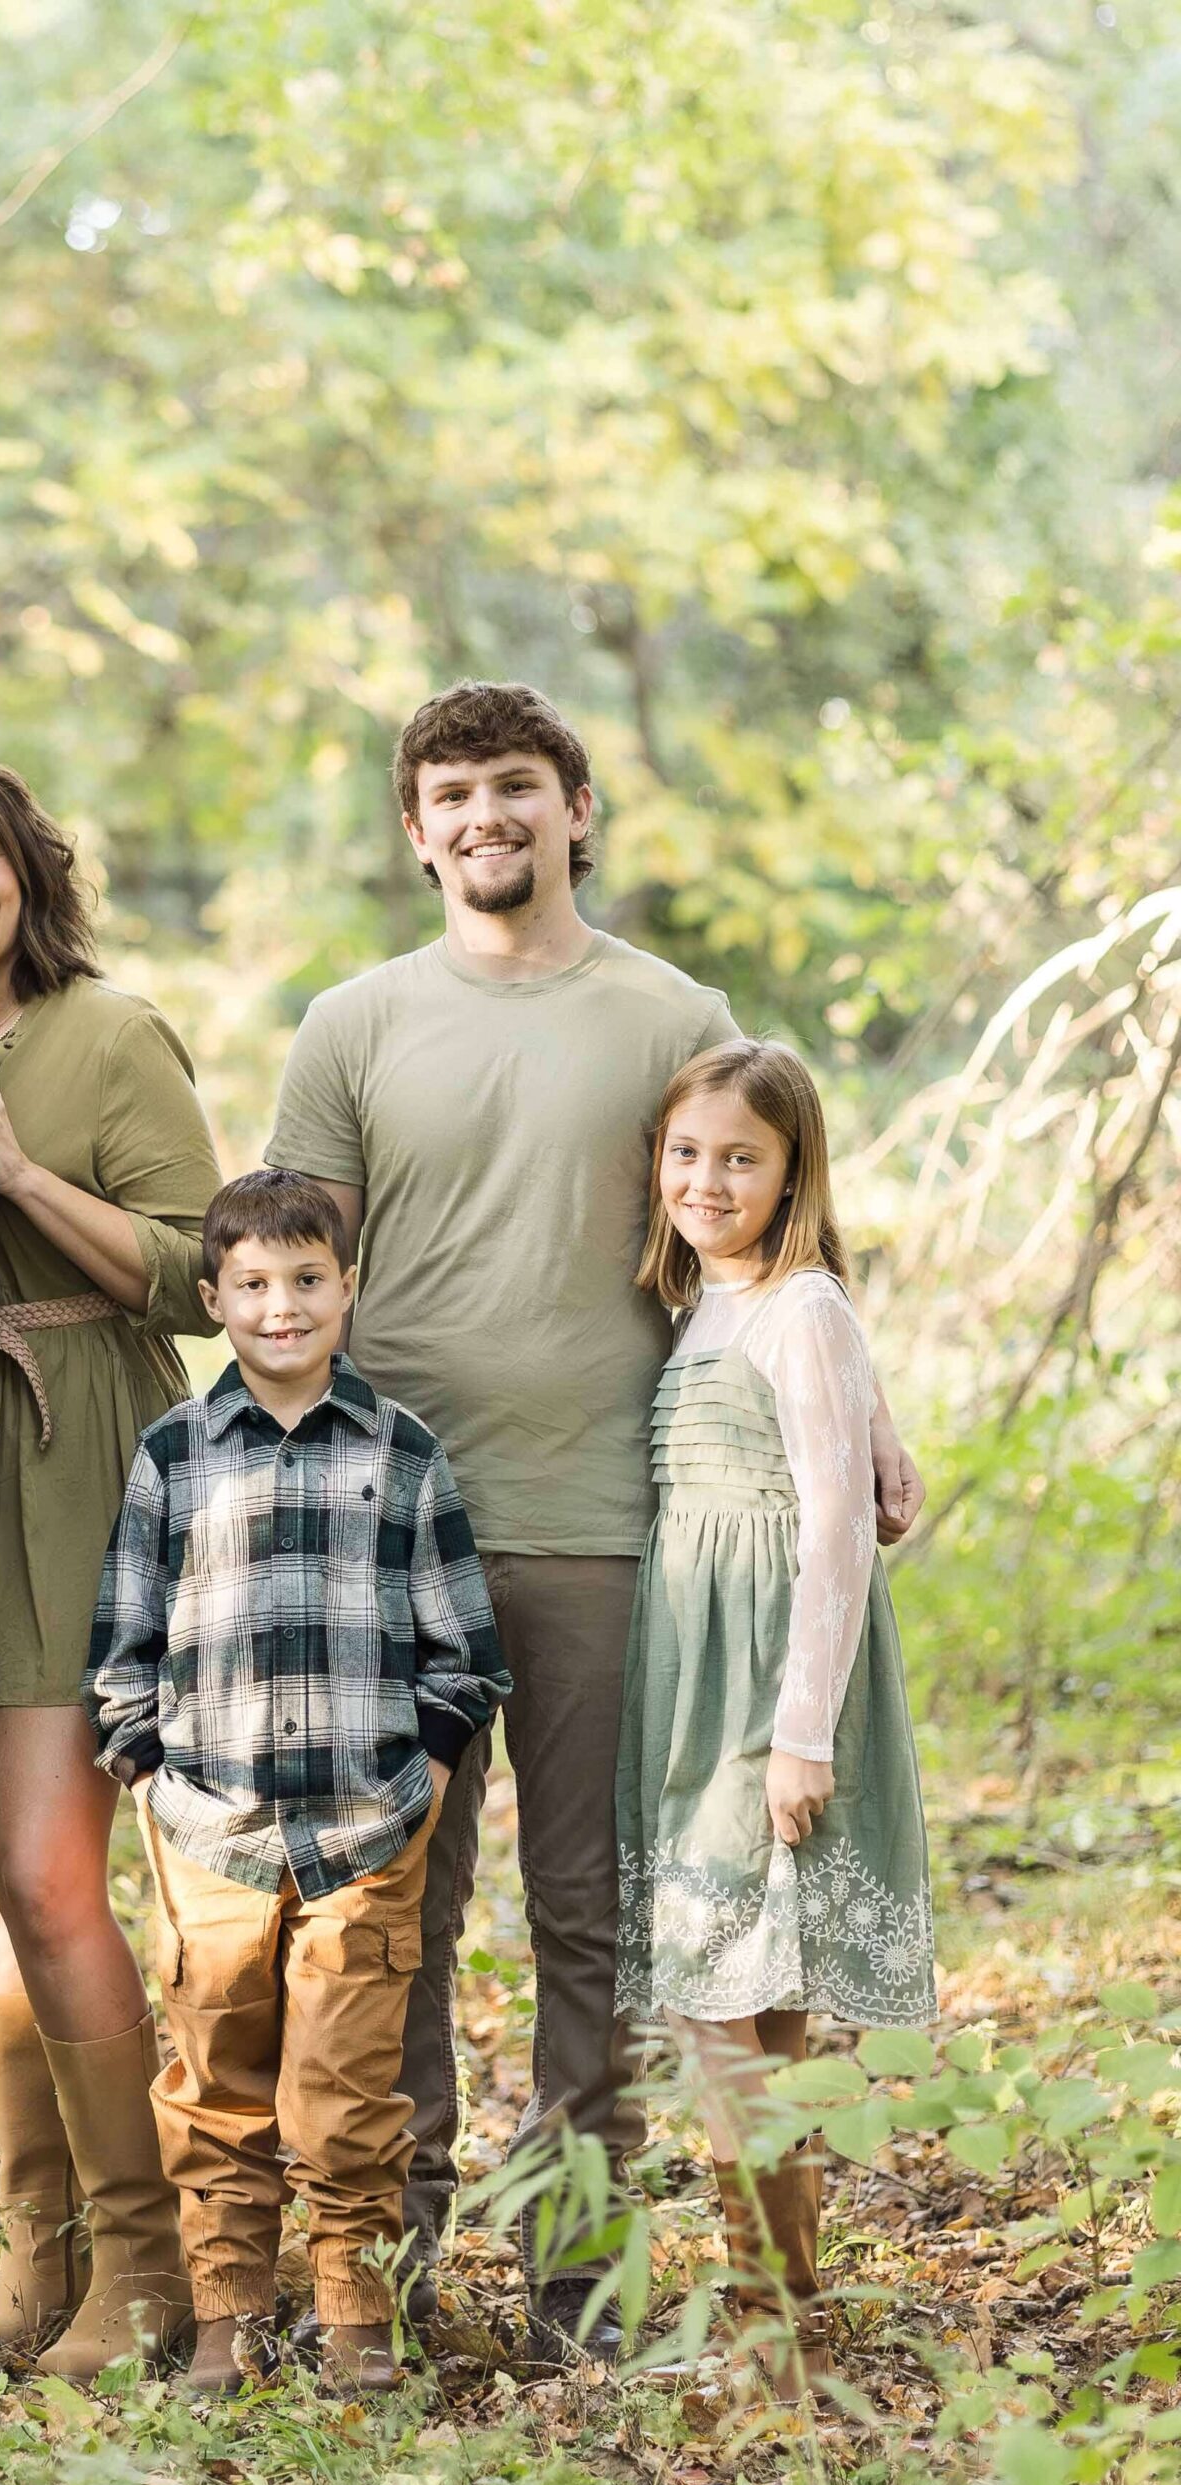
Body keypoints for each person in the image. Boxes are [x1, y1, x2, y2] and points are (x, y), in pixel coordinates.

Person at [265, 680, 923, 2356]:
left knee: (585, 1920)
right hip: (390, 1529)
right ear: (414, 836)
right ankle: (386, 2276)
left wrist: (868, 1423)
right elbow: (283, 1281)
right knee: (385, 1917)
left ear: (573, 809)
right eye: (448, 798)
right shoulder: (351, 1024)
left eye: (512, 788)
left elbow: (765, 1213)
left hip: (602, 1528)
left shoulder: (663, 1009)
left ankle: (571, 2290)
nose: (482, 819)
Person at [0, 757, 222, 2379]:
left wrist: (12, 1169)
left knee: (50, 1874)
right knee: (5, 1904)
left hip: (78, 1451)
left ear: (27, 866)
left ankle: (146, 2277)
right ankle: (38, 2268)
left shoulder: (110, 1034)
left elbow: (195, 1278)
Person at [86, 1169, 506, 2397]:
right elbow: (126, 1632)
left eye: (307, 1280)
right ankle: (226, 2314)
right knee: (213, 2075)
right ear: (211, 1297)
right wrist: (146, 1768)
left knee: (348, 2085)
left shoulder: (404, 1453)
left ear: (347, 1289)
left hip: (365, 1825)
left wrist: (421, 1772)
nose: (282, 1306)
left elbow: (463, 1645)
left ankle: (352, 2313)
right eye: (255, 1285)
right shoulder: (173, 1452)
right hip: (206, 1822)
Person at [615, 1039, 934, 2396]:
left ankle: (758, 2305)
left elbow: (834, 1533)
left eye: (740, 1157)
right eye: (685, 1153)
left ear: (794, 1170)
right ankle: (785, 2308)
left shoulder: (805, 1308)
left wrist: (802, 1730)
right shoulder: (703, 1301)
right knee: (763, 2002)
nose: (706, 1179)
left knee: (716, 1999)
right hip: (693, 1670)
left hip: (770, 1685)